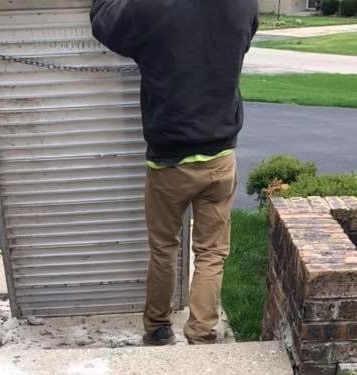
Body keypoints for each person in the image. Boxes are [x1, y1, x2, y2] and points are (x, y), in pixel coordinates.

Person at [91, 0, 259, 345]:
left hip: (169, 160)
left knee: (164, 248)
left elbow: (104, 23)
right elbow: (245, 36)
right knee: (212, 252)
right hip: (220, 155)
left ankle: (157, 328)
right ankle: (201, 333)